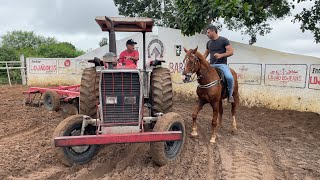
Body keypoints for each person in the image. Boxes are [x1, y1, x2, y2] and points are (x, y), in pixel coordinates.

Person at [203, 25, 235, 103]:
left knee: (230, 78)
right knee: (201, 76)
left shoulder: (224, 40)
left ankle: (230, 95)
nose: (207, 34)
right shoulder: (208, 43)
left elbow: (231, 52)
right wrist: (201, 61)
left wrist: (221, 55)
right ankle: (203, 95)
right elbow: (205, 54)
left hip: (222, 65)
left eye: (208, 32)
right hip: (211, 66)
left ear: (213, 31)